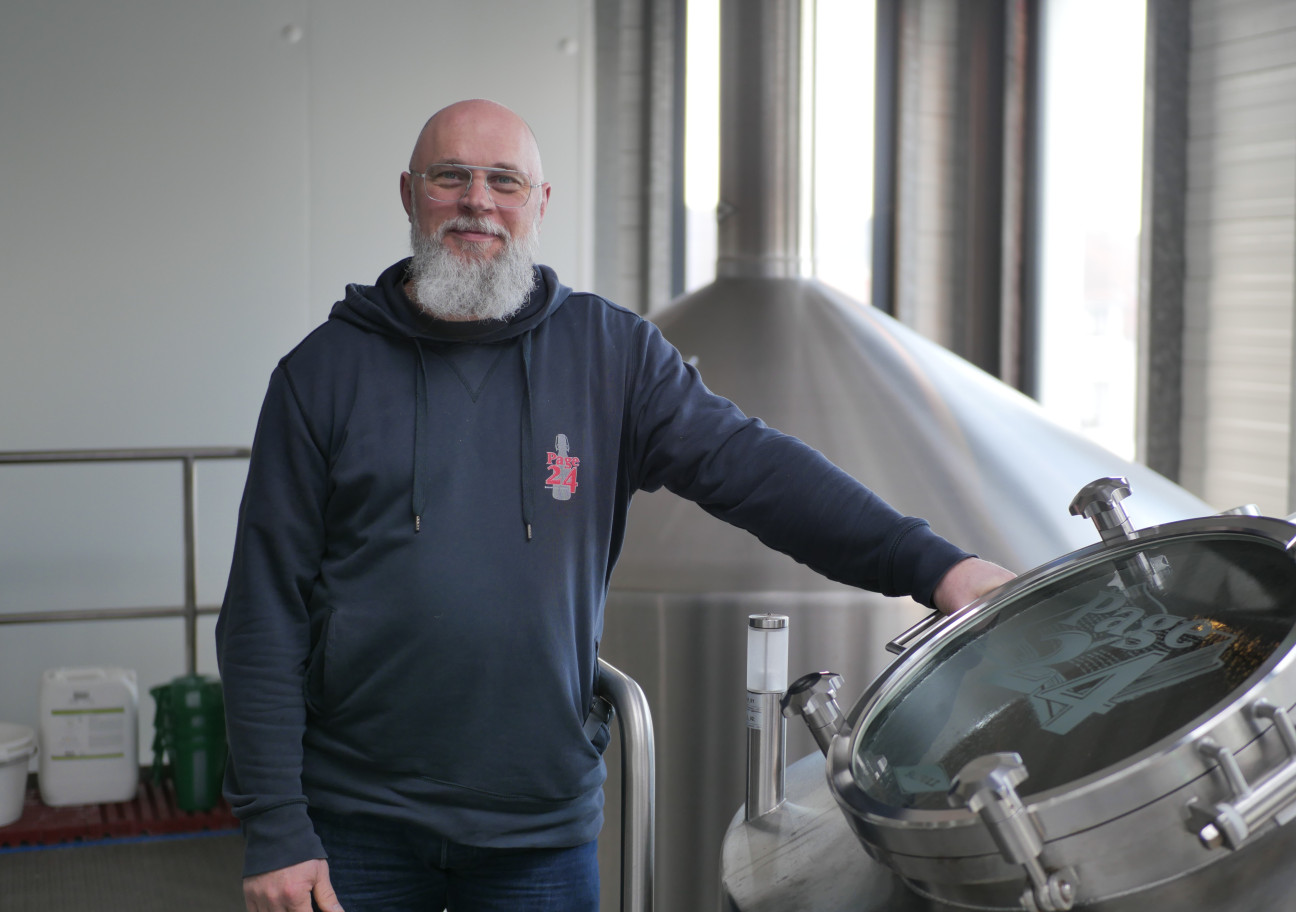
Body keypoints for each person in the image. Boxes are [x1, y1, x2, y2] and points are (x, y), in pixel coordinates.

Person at [216, 98, 1015, 912]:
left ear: (541, 202)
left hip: (538, 833)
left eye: (505, 181)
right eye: (450, 177)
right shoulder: (321, 375)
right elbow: (262, 612)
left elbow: (758, 471)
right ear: (409, 193)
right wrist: (278, 826)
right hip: (358, 824)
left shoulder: (610, 357)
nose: (478, 201)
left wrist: (936, 565)